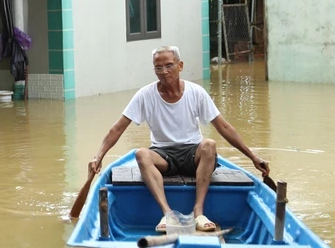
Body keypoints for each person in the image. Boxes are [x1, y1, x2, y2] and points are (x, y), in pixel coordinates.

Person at [87, 45, 270, 232]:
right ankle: (167, 214)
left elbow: (224, 127)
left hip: (192, 153)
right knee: (141, 154)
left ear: (180, 65)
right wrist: (99, 155)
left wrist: (253, 157)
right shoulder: (145, 95)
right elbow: (117, 128)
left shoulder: (196, 92)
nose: (164, 72)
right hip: (163, 155)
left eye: (169, 65)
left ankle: (198, 212)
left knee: (209, 145)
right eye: (158, 68)